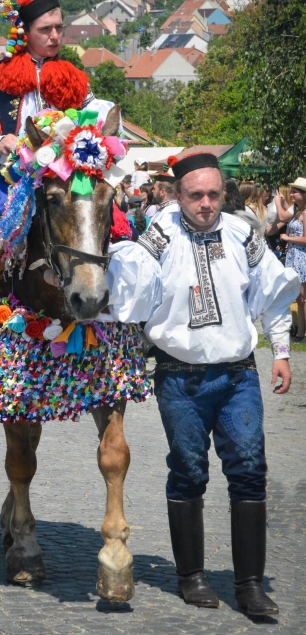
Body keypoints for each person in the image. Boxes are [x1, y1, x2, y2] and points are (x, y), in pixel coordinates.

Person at [101, 153, 299, 617]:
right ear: (178, 193)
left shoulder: (242, 232)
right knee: (189, 472)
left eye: (213, 194)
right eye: (195, 195)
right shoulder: (159, 234)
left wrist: (283, 351)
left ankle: (249, 586)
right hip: (179, 377)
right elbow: (124, 284)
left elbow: (269, 291)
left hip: (238, 374)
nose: (206, 204)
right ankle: (191, 577)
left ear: (221, 192)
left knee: (250, 472)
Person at [0, 0, 120, 363]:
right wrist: (0, 140)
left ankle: (120, 322)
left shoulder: (74, 78)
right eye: (46, 29)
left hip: (63, 183)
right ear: (25, 32)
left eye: (59, 27)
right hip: (7, 182)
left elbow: (97, 122)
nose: (55, 36)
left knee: (117, 228)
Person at [275, 177, 306, 340]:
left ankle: (303, 332)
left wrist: (288, 238)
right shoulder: (298, 209)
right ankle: (300, 331)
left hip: (302, 257)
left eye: (295, 192)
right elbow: (284, 216)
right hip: (295, 256)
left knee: (302, 297)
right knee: (299, 297)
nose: (292, 194)